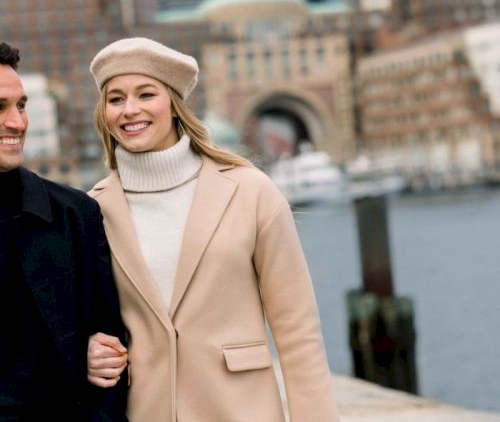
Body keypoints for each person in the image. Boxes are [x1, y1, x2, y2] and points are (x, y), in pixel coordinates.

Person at [86, 37, 340, 421]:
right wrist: (88, 351)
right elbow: (81, 319)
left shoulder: (250, 190)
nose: (130, 109)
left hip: (241, 409)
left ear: (173, 103)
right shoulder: (93, 209)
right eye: (116, 98)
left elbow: (297, 329)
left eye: (145, 94)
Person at [0, 41, 128, 421]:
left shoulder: (75, 215)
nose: (18, 122)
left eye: (21, 106)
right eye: (0, 108)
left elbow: (112, 354)